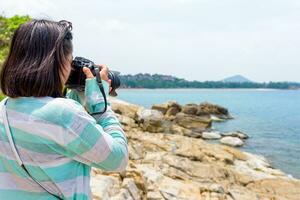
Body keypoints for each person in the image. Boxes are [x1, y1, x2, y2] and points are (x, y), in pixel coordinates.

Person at [0, 19, 128, 200]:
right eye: (69, 62)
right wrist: (100, 102)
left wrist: (78, 92)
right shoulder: (62, 115)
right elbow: (118, 159)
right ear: (56, 62)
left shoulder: (4, 108)